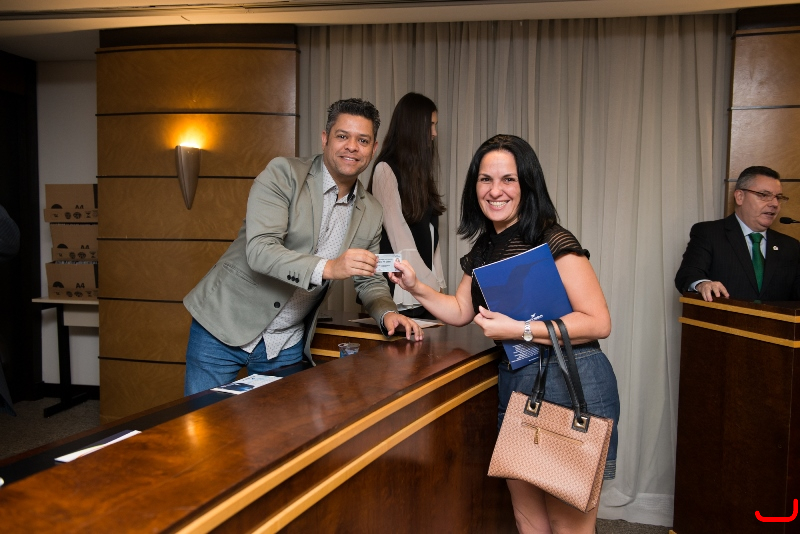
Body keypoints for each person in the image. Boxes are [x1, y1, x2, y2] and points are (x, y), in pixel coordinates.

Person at [388, 134, 619, 533]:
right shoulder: (484, 247)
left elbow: (598, 322)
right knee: (527, 519)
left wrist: (519, 329)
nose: (495, 190)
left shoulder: (552, 238)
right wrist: (415, 287)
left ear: (527, 185)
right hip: (518, 379)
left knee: (567, 526)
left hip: (570, 378)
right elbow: (460, 310)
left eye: (508, 179)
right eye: (485, 179)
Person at [183, 98, 423, 396]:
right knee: (204, 421)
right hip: (223, 324)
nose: (352, 147)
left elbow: (369, 278)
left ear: (373, 149)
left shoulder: (372, 210)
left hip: (285, 342)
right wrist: (329, 267)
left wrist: (387, 313)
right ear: (325, 138)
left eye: (362, 140)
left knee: (280, 425)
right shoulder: (283, 174)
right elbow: (260, 250)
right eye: (342, 136)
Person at [367, 92, 446, 319]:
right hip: (399, 287)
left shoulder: (420, 173)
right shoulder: (385, 169)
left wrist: (437, 282)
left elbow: (431, 232)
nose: (434, 133)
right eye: (430, 125)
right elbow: (398, 233)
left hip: (422, 286)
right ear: (414, 127)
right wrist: (427, 284)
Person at [674, 166, 800, 302]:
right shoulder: (709, 233)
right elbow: (688, 273)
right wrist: (702, 284)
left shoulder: (791, 246)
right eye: (764, 195)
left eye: (778, 197)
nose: (774, 204)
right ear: (740, 197)